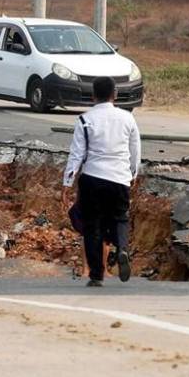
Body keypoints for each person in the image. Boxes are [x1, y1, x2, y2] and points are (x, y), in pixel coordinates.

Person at [62, 76, 141, 287]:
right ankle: (122, 248)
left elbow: (77, 154)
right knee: (120, 218)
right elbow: (135, 150)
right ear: (115, 94)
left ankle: (96, 275)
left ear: (93, 96)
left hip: (92, 178)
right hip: (119, 178)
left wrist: (67, 182)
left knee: (93, 226)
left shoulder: (85, 119)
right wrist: (133, 173)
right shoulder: (127, 118)